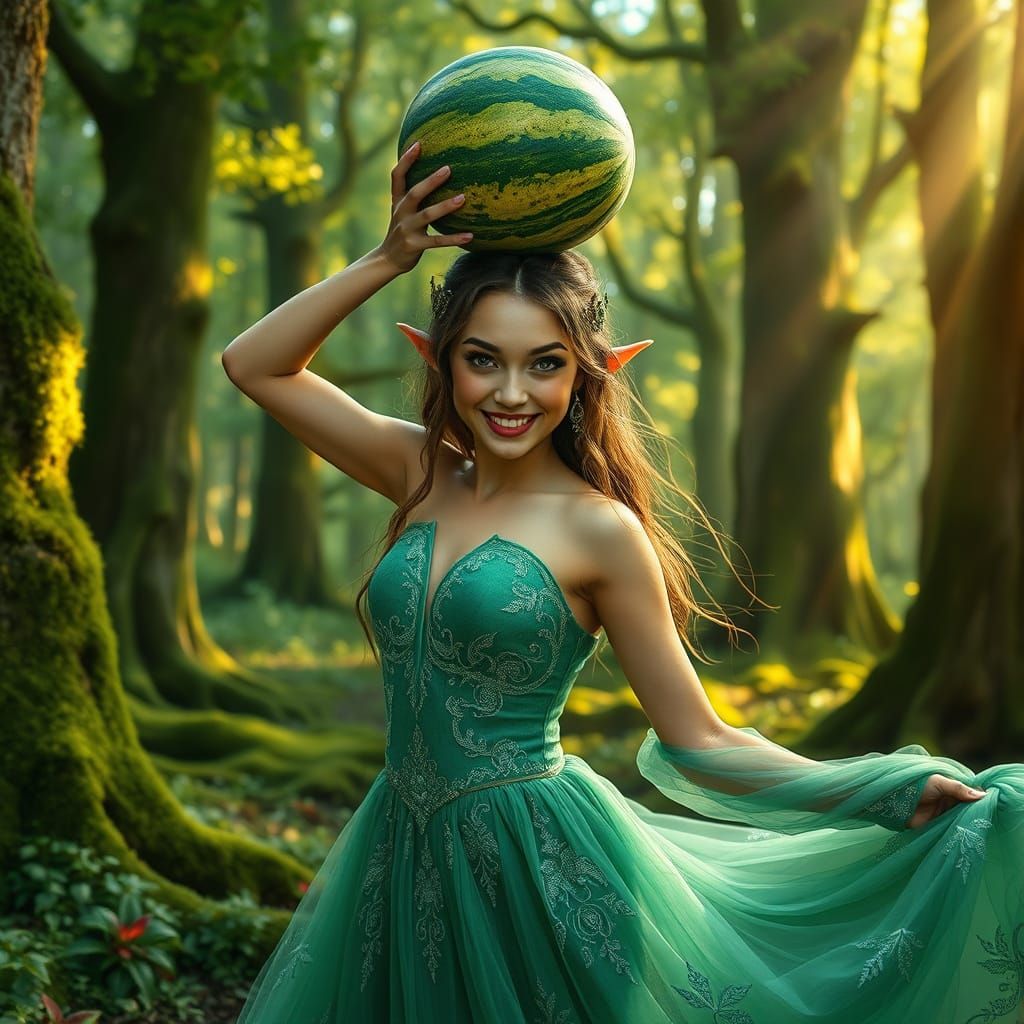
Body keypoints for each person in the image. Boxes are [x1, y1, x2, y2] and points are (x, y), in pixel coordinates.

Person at [221, 142, 1022, 1023]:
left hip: (540, 867)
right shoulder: (416, 471)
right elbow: (254, 364)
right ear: (441, 359)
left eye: (547, 363)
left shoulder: (600, 530)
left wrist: (882, 791)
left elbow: (700, 741)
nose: (512, 393)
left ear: (593, 370)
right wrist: (389, 259)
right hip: (398, 839)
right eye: (483, 359)